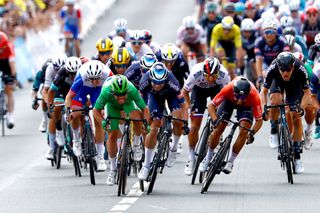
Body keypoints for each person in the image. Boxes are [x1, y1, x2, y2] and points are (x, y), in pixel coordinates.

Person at [93, 75, 150, 185]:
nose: (121, 98)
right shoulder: (106, 91)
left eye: (123, 94)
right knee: (112, 135)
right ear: (113, 93)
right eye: (118, 96)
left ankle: (137, 145)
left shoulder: (131, 89)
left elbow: (144, 108)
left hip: (128, 104)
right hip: (112, 106)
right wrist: (103, 122)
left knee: (137, 117)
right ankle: (113, 170)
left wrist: (146, 123)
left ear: (127, 91)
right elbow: (96, 111)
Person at [260, 52, 311, 173]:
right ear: (278, 67)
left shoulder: (301, 68)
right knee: (275, 100)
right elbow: (263, 92)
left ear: (293, 66)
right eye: (282, 70)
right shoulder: (272, 68)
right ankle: (274, 129)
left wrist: (301, 108)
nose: (285, 73)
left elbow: (307, 93)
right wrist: (264, 108)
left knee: (295, 116)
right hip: (277, 83)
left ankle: (297, 157)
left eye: (288, 70)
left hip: (295, 86)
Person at [199, 77, 262, 174]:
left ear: (248, 94)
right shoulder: (228, 89)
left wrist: (252, 133)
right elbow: (211, 106)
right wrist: (215, 120)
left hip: (246, 107)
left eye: (242, 98)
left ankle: (231, 161)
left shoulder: (255, 96)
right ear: (234, 91)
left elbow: (259, 120)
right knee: (219, 128)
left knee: (244, 130)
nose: (239, 101)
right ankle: (208, 156)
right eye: (237, 97)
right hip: (228, 102)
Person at [138, 62, 187, 180]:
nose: (157, 85)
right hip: (153, 97)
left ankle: (174, 148)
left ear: (165, 79)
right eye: (155, 83)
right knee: (153, 127)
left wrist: (185, 122)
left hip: (171, 96)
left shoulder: (173, 82)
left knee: (178, 120)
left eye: (160, 83)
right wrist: (145, 119)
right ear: (151, 79)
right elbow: (141, 102)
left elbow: (184, 106)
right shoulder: (144, 81)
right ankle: (146, 165)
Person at [182, 57, 230, 175]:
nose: (210, 78)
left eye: (214, 76)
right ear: (203, 72)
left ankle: (218, 137)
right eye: (207, 75)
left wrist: (223, 112)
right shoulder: (195, 73)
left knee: (219, 119)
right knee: (194, 125)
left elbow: (228, 96)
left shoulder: (224, 75)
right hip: (199, 92)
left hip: (217, 92)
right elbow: (184, 92)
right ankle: (191, 156)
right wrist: (189, 107)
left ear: (218, 73)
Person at [65, 60, 113, 171]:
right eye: (93, 79)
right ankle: (76, 139)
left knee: (99, 118)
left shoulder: (108, 74)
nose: (95, 81)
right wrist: (68, 112)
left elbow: (115, 91)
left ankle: (100, 157)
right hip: (83, 88)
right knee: (75, 112)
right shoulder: (81, 76)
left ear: (101, 75)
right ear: (88, 76)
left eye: (97, 79)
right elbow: (69, 97)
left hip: (98, 91)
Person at [46, 57, 82, 159]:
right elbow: (51, 91)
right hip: (62, 90)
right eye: (70, 73)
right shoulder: (61, 73)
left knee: (79, 112)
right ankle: (59, 130)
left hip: (76, 91)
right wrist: (50, 106)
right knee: (57, 108)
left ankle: (81, 138)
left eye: (75, 73)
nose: (73, 76)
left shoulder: (83, 73)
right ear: (66, 70)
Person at [254, 19, 289, 88]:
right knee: (264, 73)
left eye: (271, 32)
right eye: (267, 32)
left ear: (275, 32)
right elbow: (258, 60)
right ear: (263, 33)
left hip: (279, 61)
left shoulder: (282, 40)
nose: (269, 35)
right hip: (266, 62)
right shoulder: (259, 42)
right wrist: (260, 77)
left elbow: (286, 58)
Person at [0, 31, 16, 129]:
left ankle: (10, 115)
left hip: (6, 65)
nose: (1, 50)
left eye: (2, 48)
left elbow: (12, 64)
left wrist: (13, 77)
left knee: (9, 90)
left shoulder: (9, 47)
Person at [31, 59, 52, 133]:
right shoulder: (40, 74)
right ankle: (44, 120)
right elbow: (34, 90)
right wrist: (34, 101)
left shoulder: (57, 71)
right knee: (44, 96)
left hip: (56, 86)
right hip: (46, 88)